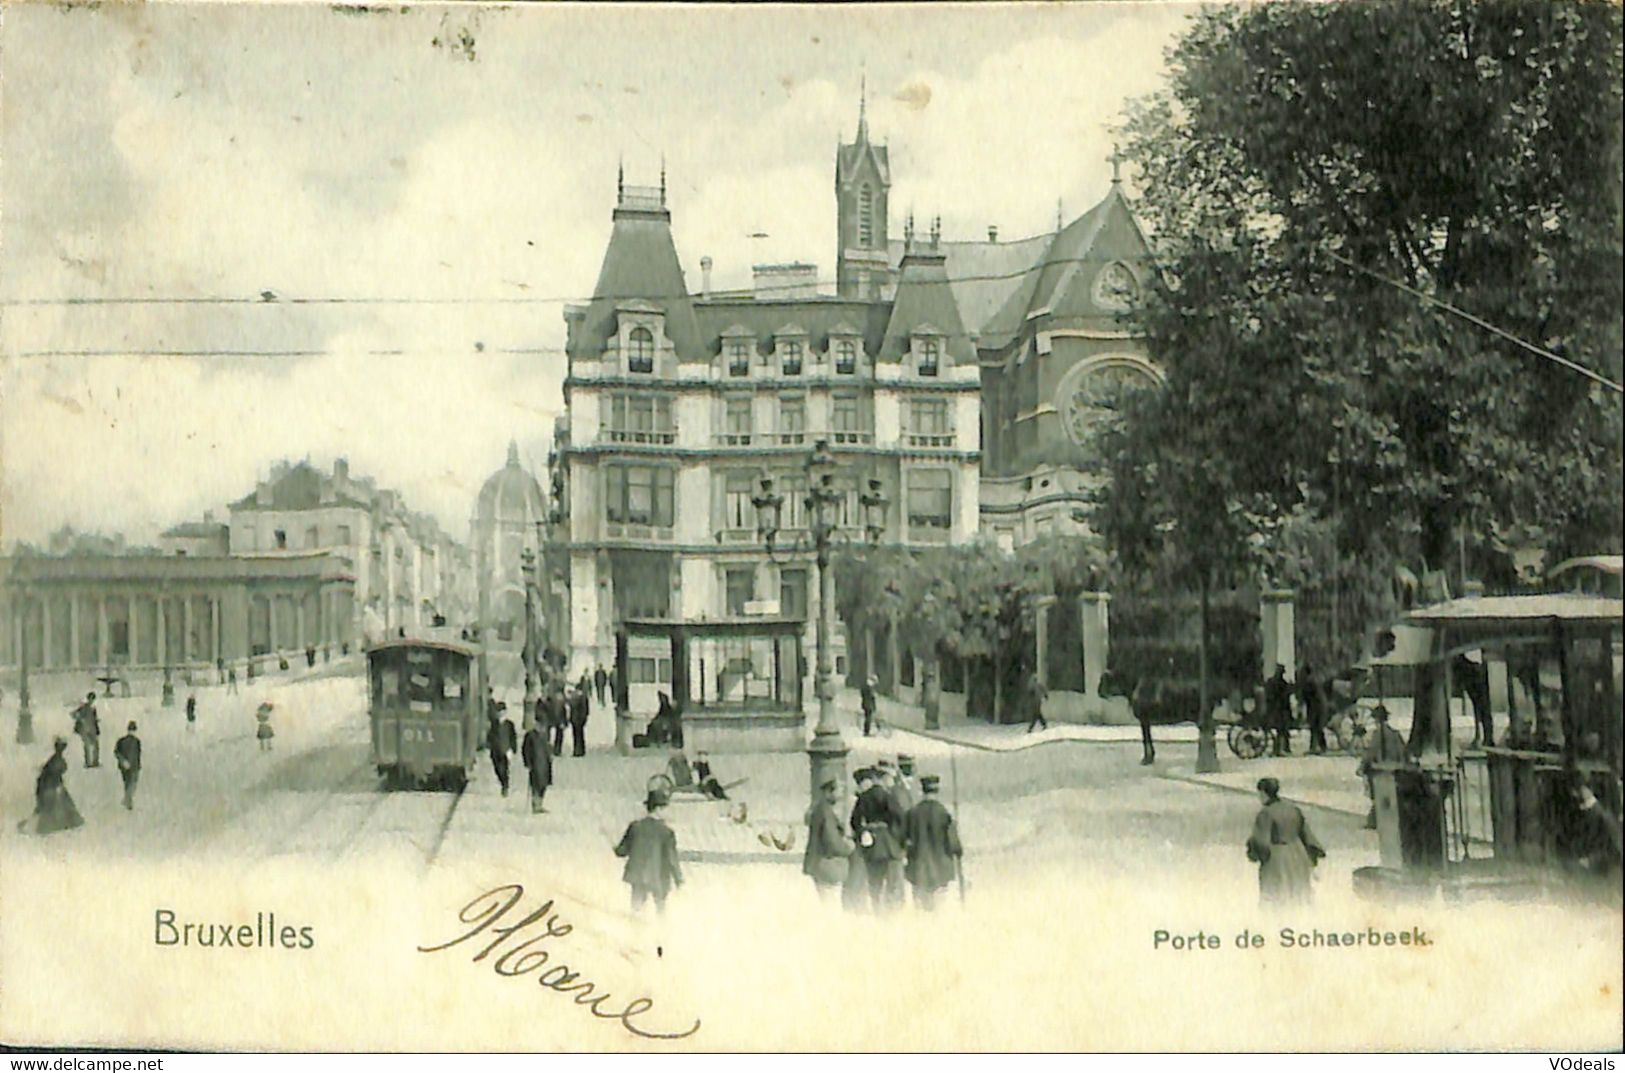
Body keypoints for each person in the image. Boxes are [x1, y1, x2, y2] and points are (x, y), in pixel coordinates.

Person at [1246, 777, 1325, 906]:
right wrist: (1311, 857)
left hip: (1277, 858)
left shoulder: (1265, 813)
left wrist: (1254, 853)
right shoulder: (1292, 808)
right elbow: (1306, 834)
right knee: (1297, 894)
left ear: (1264, 793)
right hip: (1297, 854)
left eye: (1259, 794)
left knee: (1276, 897)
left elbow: (1261, 841)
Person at [614, 789, 683, 913]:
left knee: (636, 911)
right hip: (657, 877)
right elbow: (672, 859)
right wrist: (679, 880)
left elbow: (621, 851)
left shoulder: (635, 826)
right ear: (659, 809)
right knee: (660, 912)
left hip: (638, 875)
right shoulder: (666, 832)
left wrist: (615, 848)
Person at [903, 774, 963, 910]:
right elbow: (953, 843)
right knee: (938, 908)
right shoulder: (943, 813)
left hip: (918, 867)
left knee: (920, 907)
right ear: (937, 790)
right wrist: (958, 851)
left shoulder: (912, 813)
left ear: (923, 790)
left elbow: (904, 839)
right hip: (940, 867)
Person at [852, 763, 906, 911]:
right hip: (888, 843)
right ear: (880, 778)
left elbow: (855, 821)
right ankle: (890, 910)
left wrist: (863, 833)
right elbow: (900, 818)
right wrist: (897, 838)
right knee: (891, 881)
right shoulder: (887, 796)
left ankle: (876, 907)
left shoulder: (863, 798)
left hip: (871, 844)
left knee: (874, 881)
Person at [1358, 705, 1409, 829]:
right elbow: (1402, 751)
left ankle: (1374, 820)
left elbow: (1372, 752)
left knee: (1379, 794)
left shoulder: (1378, 735)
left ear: (1376, 719)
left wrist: (1362, 766)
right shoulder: (1395, 734)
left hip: (1381, 769)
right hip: (1396, 768)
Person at [803, 777, 854, 900]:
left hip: (820, 864)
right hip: (827, 865)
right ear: (828, 792)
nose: (841, 795)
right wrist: (848, 848)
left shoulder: (820, 809)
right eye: (838, 791)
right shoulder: (826, 812)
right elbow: (831, 841)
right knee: (832, 903)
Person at [28, 738, 84, 835]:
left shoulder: (55, 759)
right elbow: (53, 774)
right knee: (55, 805)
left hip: (49, 785)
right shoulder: (57, 760)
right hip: (51, 786)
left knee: (53, 805)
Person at [520, 718, 552, 814]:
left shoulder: (544, 735)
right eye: (539, 725)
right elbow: (525, 750)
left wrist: (550, 756)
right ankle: (535, 805)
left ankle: (540, 803)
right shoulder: (530, 736)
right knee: (535, 785)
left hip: (545, 764)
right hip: (535, 764)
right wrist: (527, 763)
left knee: (543, 785)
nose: (541, 727)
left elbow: (547, 748)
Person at [1299, 662, 1327, 755]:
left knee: (1316, 728)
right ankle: (1319, 747)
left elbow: (1310, 698)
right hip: (1318, 706)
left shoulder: (1310, 682)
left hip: (1316, 707)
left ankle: (1318, 747)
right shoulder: (1314, 680)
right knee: (1317, 728)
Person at [1265, 665, 1293, 756]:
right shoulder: (1282, 684)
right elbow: (1285, 698)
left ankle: (1278, 749)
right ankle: (1281, 749)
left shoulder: (1271, 682)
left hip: (1274, 709)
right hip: (1281, 709)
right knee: (1282, 730)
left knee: (1279, 730)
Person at [114, 721, 142, 810]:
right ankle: (128, 801)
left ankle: (127, 799)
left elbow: (116, 752)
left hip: (125, 766)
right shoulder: (137, 741)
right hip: (134, 766)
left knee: (127, 783)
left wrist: (122, 761)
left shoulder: (121, 740)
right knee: (132, 783)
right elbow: (138, 754)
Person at [487, 710, 513, 797]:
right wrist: (489, 744)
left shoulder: (509, 724)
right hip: (495, 751)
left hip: (505, 751)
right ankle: (503, 781)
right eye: (499, 713)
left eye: (501, 713)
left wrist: (513, 749)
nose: (500, 715)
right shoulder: (494, 724)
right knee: (497, 769)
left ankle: (505, 785)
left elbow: (513, 737)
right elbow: (490, 735)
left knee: (504, 769)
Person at [73, 692, 101, 768]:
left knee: (95, 745)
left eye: (93, 699)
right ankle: (88, 762)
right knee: (88, 746)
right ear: (88, 699)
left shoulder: (93, 708)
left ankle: (95, 762)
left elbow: (93, 719)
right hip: (85, 729)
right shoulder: (84, 707)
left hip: (92, 729)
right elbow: (74, 714)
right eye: (91, 699)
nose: (92, 700)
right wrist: (82, 720)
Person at [568, 685, 590, 757]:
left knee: (576, 735)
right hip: (580, 719)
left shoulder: (574, 697)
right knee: (581, 735)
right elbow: (586, 709)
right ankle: (582, 750)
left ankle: (577, 751)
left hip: (575, 719)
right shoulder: (584, 697)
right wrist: (585, 717)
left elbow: (571, 708)